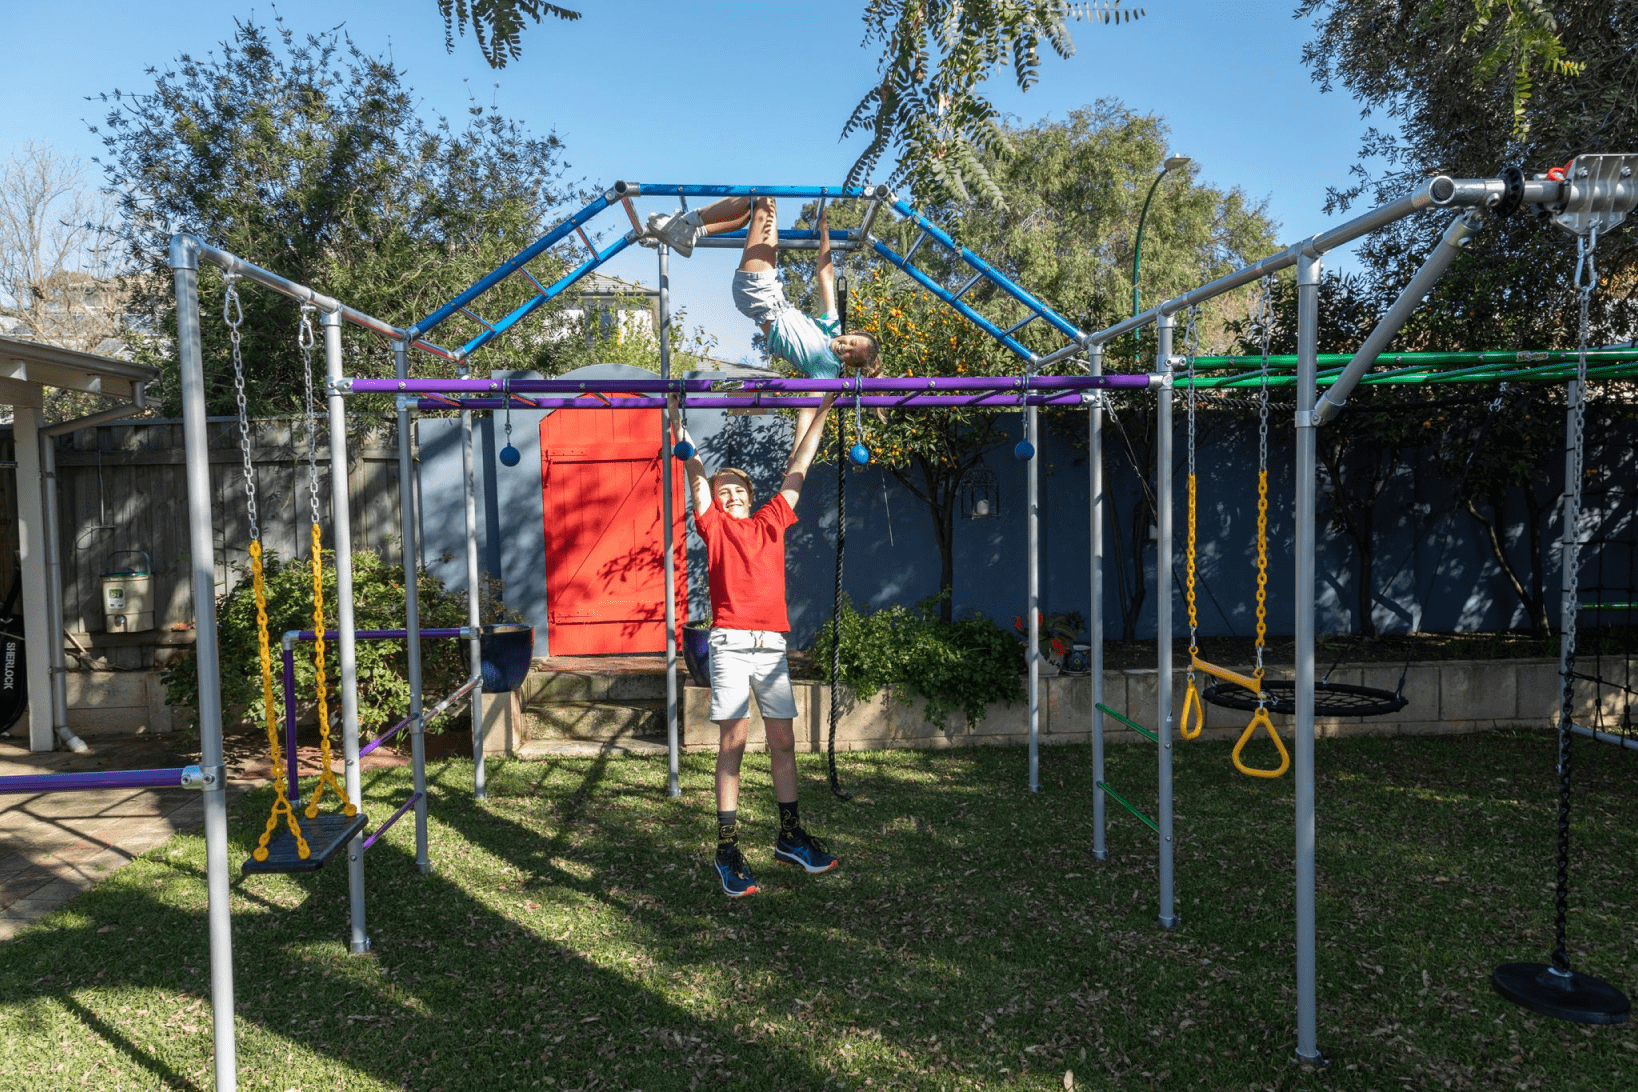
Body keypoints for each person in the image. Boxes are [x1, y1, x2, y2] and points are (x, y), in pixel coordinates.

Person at [669, 392, 841, 898]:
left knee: (784, 740)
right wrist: (677, 417)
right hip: (728, 641)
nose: (727, 496)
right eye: (720, 492)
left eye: (734, 489)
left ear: (749, 493)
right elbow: (694, 472)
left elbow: (799, 464)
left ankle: (789, 837)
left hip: (769, 644)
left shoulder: (772, 519)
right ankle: (727, 848)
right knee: (735, 741)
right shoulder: (714, 526)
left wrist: (824, 411)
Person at [648, 197, 882, 379]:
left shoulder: (827, 369)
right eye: (852, 343)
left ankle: (687, 223)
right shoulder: (832, 328)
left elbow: (814, 407)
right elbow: (826, 278)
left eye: (851, 357)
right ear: (853, 333)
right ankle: (693, 232)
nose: (846, 349)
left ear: (849, 366)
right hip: (769, 293)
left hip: (760, 297)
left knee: (764, 200)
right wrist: (824, 233)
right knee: (753, 208)